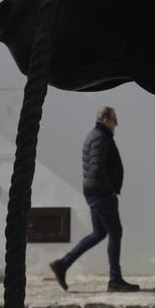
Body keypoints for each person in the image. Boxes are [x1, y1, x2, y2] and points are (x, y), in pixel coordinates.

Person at [49, 106, 140, 292]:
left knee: (99, 233)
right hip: (101, 194)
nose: (117, 124)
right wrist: (109, 191)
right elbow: (97, 169)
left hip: (96, 192)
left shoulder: (98, 136)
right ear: (106, 119)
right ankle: (115, 280)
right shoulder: (100, 138)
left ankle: (63, 264)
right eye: (115, 120)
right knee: (115, 232)